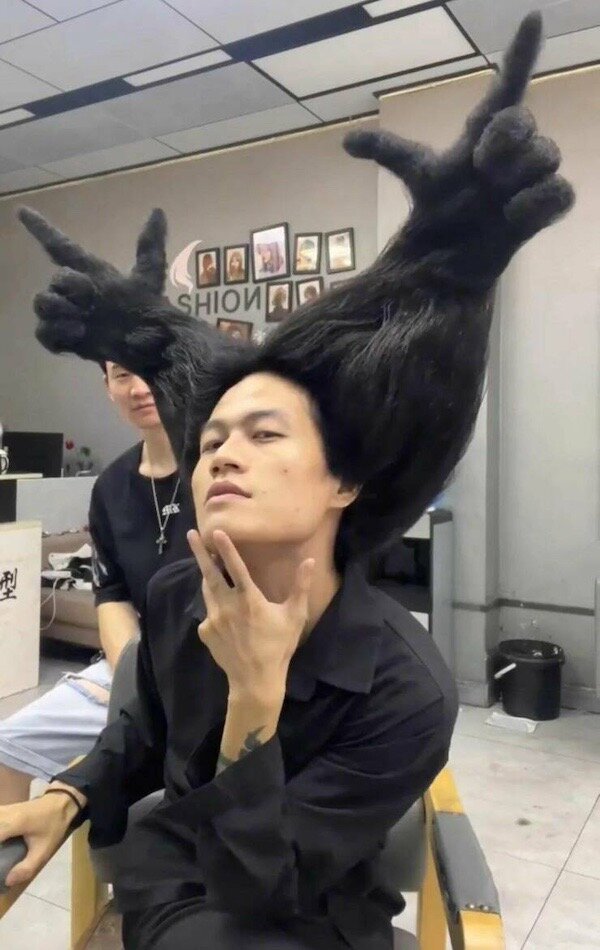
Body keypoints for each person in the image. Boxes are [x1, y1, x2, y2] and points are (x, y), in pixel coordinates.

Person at [7, 15, 574, 949]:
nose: (222, 454)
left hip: (306, 914)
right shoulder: (179, 592)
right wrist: (67, 795)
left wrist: (256, 697)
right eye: (211, 439)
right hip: (173, 886)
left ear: (343, 480)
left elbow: (260, 886)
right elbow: (141, 728)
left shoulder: (406, 689)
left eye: (264, 434)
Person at [0, 362, 195, 806]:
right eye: (123, 375)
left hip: (222, 672)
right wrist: (134, 677)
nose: (140, 387)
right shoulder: (111, 487)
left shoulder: (221, 465)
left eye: (152, 369)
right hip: (142, 667)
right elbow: (113, 595)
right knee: (7, 746)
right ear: (107, 386)